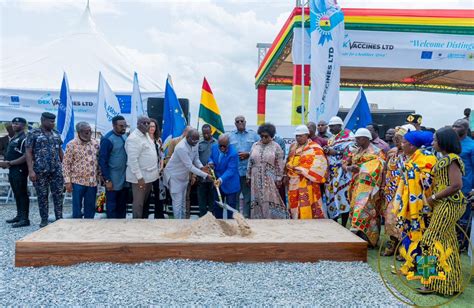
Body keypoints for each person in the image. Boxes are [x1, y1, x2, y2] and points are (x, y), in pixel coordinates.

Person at [419, 127, 465, 295]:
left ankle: (429, 282)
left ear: (444, 142)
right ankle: (449, 285)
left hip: (447, 204)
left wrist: (433, 197)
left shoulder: (450, 159)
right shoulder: (448, 158)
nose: (432, 143)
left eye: (435, 140)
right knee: (448, 243)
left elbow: (456, 185)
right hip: (448, 204)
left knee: (428, 241)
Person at [393, 130, 437, 274]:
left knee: (424, 238)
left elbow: (427, 182)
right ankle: (411, 265)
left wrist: (411, 171)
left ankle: (425, 272)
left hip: (422, 207)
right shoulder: (410, 158)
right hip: (408, 206)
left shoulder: (427, 158)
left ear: (412, 146)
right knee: (408, 235)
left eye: (404, 142)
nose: (401, 145)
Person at [345, 128, 385, 248]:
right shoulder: (356, 151)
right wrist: (349, 167)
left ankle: (369, 239)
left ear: (367, 139)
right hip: (356, 184)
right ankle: (359, 238)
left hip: (370, 187)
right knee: (355, 208)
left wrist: (361, 169)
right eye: (356, 138)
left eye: (359, 138)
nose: (356, 140)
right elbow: (347, 163)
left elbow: (380, 167)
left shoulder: (377, 152)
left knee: (365, 210)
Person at [26, 112, 64, 228]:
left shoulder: (56, 134)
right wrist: (31, 170)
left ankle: (59, 218)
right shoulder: (33, 133)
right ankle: (44, 220)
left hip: (56, 170)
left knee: (58, 195)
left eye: (54, 121)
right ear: (43, 120)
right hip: (40, 171)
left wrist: (65, 167)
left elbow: (60, 151)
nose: (53, 124)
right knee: (42, 196)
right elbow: (28, 152)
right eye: (50, 121)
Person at [380, 125, 413, 256]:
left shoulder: (412, 156)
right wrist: (383, 185)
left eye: (400, 139)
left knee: (402, 220)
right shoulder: (392, 153)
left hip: (405, 192)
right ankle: (392, 243)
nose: (397, 141)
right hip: (390, 191)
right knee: (389, 218)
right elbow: (385, 170)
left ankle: (403, 248)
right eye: (396, 138)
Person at [164, 129, 212, 218]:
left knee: (183, 203)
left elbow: (196, 158)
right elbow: (189, 166)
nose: (195, 142)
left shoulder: (196, 142)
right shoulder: (181, 147)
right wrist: (205, 175)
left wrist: (202, 167)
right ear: (187, 137)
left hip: (184, 176)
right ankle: (178, 225)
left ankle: (183, 223)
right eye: (193, 140)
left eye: (197, 140)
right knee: (177, 204)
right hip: (174, 177)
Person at [285, 125, 328, 219]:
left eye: (300, 136)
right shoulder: (293, 146)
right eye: (296, 136)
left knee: (307, 203)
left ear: (307, 135)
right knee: (294, 203)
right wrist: (289, 167)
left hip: (308, 182)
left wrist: (302, 170)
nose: (298, 138)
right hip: (293, 181)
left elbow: (320, 165)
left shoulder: (315, 148)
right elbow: (288, 159)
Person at [247, 123, 287, 219]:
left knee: (271, 198)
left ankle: (272, 219)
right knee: (257, 198)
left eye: (266, 136)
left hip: (270, 178)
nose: (263, 138)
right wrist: (248, 176)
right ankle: (258, 219)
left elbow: (279, 164)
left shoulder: (276, 147)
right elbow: (250, 161)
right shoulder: (255, 145)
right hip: (255, 177)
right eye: (262, 136)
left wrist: (278, 178)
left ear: (272, 136)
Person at [63, 122, 100, 219]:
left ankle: (88, 227)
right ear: (79, 132)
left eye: (90, 132)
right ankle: (76, 228)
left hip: (92, 182)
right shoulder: (71, 145)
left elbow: (99, 161)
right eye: (86, 132)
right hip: (77, 182)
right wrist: (67, 182)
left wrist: (100, 176)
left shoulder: (95, 143)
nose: (89, 134)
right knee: (77, 207)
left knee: (90, 207)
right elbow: (66, 164)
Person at [125, 116, 159, 219]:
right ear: (138, 124)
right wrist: (139, 177)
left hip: (150, 176)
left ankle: (142, 223)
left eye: (148, 123)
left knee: (145, 201)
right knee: (138, 203)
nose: (147, 125)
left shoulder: (147, 135)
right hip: (140, 178)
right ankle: (136, 224)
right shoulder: (133, 138)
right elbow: (132, 160)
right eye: (144, 123)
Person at [324, 116, 355, 226]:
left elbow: (351, 151)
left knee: (343, 197)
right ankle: (334, 222)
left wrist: (335, 152)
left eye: (333, 126)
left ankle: (344, 224)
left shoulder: (348, 135)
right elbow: (330, 151)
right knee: (331, 196)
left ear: (340, 126)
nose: (330, 129)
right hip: (332, 172)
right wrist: (327, 150)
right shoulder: (331, 138)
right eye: (330, 126)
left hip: (343, 173)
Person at [0, 117, 30, 228]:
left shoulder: (24, 138)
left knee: (22, 193)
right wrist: (5, 163)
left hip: (20, 169)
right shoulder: (14, 138)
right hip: (12, 169)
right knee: (16, 193)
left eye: (17, 123)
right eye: (13, 123)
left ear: (23, 125)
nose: (14, 125)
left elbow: (26, 156)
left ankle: (25, 219)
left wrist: (10, 163)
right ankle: (19, 215)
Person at [228, 115, 259, 218]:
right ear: (235, 124)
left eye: (242, 121)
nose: (240, 122)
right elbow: (225, 151)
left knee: (248, 197)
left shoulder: (253, 135)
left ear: (245, 122)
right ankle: (236, 218)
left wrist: (248, 154)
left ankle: (246, 217)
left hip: (248, 172)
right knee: (234, 197)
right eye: (237, 121)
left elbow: (259, 150)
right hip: (235, 172)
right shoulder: (229, 136)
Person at [99, 115, 128, 219]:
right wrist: (107, 180)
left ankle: (122, 229)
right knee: (112, 206)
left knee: (122, 205)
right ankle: (111, 230)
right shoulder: (107, 139)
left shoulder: (125, 136)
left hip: (124, 177)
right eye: (121, 126)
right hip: (113, 179)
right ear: (114, 125)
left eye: (125, 126)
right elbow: (102, 161)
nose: (124, 128)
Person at [452, 119, 474, 251]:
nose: (454, 128)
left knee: (463, 218)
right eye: (453, 125)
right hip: (448, 187)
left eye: (457, 126)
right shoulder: (450, 144)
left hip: (465, 187)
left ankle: (462, 244)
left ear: (465, 129)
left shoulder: (471, 146)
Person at [208, 135, 240, 219]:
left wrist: (221, 179)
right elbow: (210, 158)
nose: (222, 148)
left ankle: (232, 227)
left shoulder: (233, 153)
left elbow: (231, 170)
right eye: (220, 145)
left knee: (231, 210)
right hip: (217, 184)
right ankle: (219, 227)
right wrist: (210, 162)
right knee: (217, 208)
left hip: (230, 184)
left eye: (224, 146)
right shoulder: (214, 147)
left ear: (228, 144)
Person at [143, 118, 166, 219]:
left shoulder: (159, 140)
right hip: (147, 171)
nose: (152, 128)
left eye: (154, 126)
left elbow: (162, 155)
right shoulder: (143, 139)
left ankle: (159, 215)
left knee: (159, 195)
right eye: (150, 126)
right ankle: (144, 216)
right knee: (146, 195)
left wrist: (161, 166)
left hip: (158, 172)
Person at [197, 124, 217, 217]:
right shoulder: (199, 144)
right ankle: (202, 219)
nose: (206, 135)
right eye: (204, 133)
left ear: (211, 132)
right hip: (201, 177)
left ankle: (212, 220)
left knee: (212, 201)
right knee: (202, 202)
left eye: (207, 133)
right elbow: (195, 159)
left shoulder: (217, 143)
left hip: (214, 177)